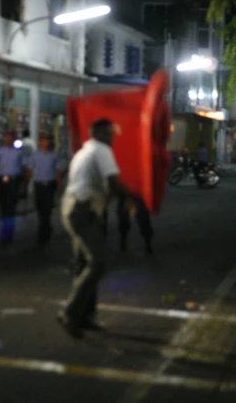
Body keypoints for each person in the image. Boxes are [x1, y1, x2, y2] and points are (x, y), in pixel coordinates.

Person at [57, 118, 139, 339]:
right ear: (100, 134)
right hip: (82, 212)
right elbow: (112, 181)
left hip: (76, 209)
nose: (112, 137)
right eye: (109, 133)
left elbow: (101, 187)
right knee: (98, 262)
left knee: (84, 263)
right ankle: (70, 312)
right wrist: (131, 196)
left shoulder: (85, 152)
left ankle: (85, 316)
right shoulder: (101, 150)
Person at [0, 131, 28, 249]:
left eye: (11, 138)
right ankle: (4, 231)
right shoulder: (0, 151)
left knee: (11, 207)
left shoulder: (20, 152)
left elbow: (25, 168)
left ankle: (8, 234)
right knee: (3, 205)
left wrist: (24, 185)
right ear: (4, 138)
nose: (8, 140)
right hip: (3, 181)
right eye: (7, 137)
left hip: (14, 181)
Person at [25, 134, 61, 246]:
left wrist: (59, 187)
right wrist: (25, 186)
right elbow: (30, 171)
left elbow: (58, 172)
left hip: (50, 185)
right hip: (39, 185)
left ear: (49, 142)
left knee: (47, 209)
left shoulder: (54, 156)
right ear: (39, 143)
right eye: (42, 141)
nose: (44, 143)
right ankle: (45, 229)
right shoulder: (35, 156)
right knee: (40, 209)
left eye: (46, 140)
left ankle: (43, 234)